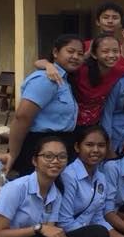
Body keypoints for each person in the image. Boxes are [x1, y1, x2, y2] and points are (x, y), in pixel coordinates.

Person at [5, 34, 83, 176]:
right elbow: (22, 117)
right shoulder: (46, 79)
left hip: (60, 147)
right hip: (40, 148)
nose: (76, 57)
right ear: (55, 52)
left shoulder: (65, 80)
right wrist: (12, 154)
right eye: (70, 51)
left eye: (80, 54)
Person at [37, 33, 124, 130]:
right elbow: (38, 62)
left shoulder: (120, 72)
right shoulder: (80, 69)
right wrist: (48, 65)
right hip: (68, 125)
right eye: (105, 51)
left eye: (115, 51)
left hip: (94, 126)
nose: (111, 55)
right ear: (94, 54)